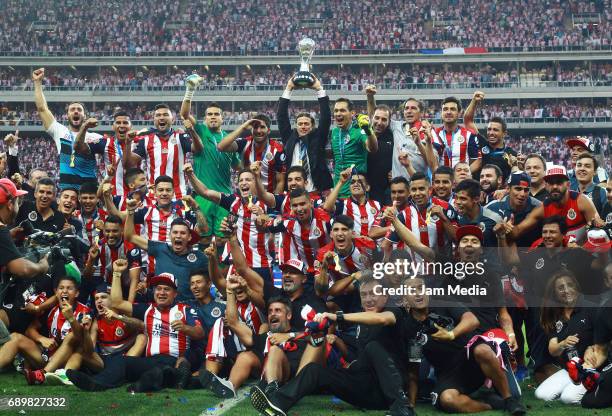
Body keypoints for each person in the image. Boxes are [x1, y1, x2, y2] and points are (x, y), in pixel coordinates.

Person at [250, 274, 415, 416]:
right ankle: (277, 403)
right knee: (315, 370)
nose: (368, 299)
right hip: (366, 389)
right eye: (364, 295)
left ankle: (402, 407)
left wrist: (337, 316)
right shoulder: (362, 326)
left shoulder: (395, 311)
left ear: (385, 296)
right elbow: (360, 360)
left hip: (389, 390)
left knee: (373, 347)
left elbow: (382, 319)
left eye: (374, 294)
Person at [67, 260, 204, 391]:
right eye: (158, 289)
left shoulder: (185, 310)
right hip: (151, 360)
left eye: (166, 289)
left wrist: (185, 328)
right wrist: (116, 273)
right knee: (124, 363)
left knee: (151, 369)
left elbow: (200, 332)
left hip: (174, 359)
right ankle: (99, 382)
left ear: (175, 294)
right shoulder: (147, 309)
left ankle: (107, 383)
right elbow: (117, 303)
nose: (161, 293)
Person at [180, 86, 241, 246]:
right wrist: (190, 91)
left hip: (224, 197)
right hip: (203, 195)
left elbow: (238, 167)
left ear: (222, 118)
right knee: (203, 238)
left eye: (216, 114)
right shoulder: (200, 130)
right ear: (205, 118)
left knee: (223, 238)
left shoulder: (229, 140)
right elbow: (184, 114)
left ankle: (221, 270)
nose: (213, 117)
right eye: (209, 114)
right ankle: (204, 270)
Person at [32, 68, 102, 190]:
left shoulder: (96, 137)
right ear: (67, 115)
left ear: (85, 116)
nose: (76, 111)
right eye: (72, 109)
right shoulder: (60, 131)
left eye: (79, 110)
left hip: (89, 192)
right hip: (68, 192)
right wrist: (37, 82)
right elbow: (42, 108)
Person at [535, 270, 596, 404]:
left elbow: (605, 338)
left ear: (576, 287)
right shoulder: (555, 315)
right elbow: (553, 349)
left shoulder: (591, 308)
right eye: (561, 288)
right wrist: (563, 343)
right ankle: (576, 388)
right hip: (570, 368)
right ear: (555, 293)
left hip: (592, 366)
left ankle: (599, 388)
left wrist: (592, 347)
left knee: (568, 398)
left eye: (570, 285)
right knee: (541, 394)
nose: (566, 290)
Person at [510, 165, 604, 244]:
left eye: (559, 182)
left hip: (584, 254)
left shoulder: (582, 201)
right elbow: (517, 231)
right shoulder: (543, 208)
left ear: (568, 185)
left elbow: (598, 232)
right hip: (558, 257)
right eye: (551, 183)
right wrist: (506, 230)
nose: (554, 186)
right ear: (546, 186)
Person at [366, 87, 437, 184]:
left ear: (421, 113)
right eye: (406, 108)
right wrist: (370, 96)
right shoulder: (397, 126)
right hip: (397, 187)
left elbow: (432, 164)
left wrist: (419, 144)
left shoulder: (427, 131)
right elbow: (375, 116)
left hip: (418, 186)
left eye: (413, 108)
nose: (409, 111)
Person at [123, 104, 195, 199]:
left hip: (178, 196)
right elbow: (128, 164)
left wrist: (192, 131)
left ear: (172, 120)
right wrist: (128, 143)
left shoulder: (181, 137)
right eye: (158, 115)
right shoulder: (145, 140)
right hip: (153, 197)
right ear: (154, 120)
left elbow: (198, 149)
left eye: (165, 115)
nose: (161, 117)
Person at [277, 74, 332, 193]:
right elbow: (281, 117)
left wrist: (319, 89)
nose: (303, 126)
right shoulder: (289, 138)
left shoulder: (318, 138)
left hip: (316, 190)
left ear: (312, 126)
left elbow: (326, 118)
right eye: (300, 124)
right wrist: (288, 89)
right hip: (293, 191)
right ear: (296, 126)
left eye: (306, 124)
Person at [217, 114, 286, 194]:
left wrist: (274, 204)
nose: (258, 131)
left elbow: (280, 182)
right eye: (255, 127)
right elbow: (221, 147)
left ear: (269, 130)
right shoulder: (244, 143)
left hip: (268, 198)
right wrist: (243, 127)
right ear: (251, 130)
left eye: (262, 127)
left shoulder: (278, 150)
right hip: (247, 197)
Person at [74, 110, 135, 197]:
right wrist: (84, 127)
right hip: (113, 196)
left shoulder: (140, 142)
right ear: (113, 126)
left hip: (136, 196)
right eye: (118, 122)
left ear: (131, 126)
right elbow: (78, 148)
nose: (121, 125)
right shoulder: (105, 142)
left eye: (125, 122)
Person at [329, 98, 377, 197]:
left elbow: (372, 148)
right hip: (338, 189)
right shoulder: (334, 132)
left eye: (342, 110)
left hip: (356, 190)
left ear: (352, 113)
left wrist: (368, 130)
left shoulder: (359, 130)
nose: (338, 113)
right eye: (336, 110)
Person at [464, 92, 517, 181]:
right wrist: (474, 101)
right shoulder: (481, 143)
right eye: (489, 129)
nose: (491, 133)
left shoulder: (511, 154)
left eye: (495, 130)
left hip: (499, 193)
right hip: (478, 192)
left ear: (504, 133)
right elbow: (468, 121)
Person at [322, 167, 381, 236]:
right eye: (352, 182)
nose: (355, 184)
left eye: (360, 182)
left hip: (373, 246)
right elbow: (326, 207)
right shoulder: (343, 204)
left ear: (367, 187)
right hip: (352, 246)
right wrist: (341, 182)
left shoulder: (377, 205)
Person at [432, 97, 480, 172]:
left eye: (452, 109)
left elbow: (477, 161)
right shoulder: (434, 134)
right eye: (445, 109)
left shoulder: (469, 135)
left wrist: (461, 175)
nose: (448, 112)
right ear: (441, 113)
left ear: (459, 113)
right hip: (440, 181)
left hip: (462, 181)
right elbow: (430, 161)